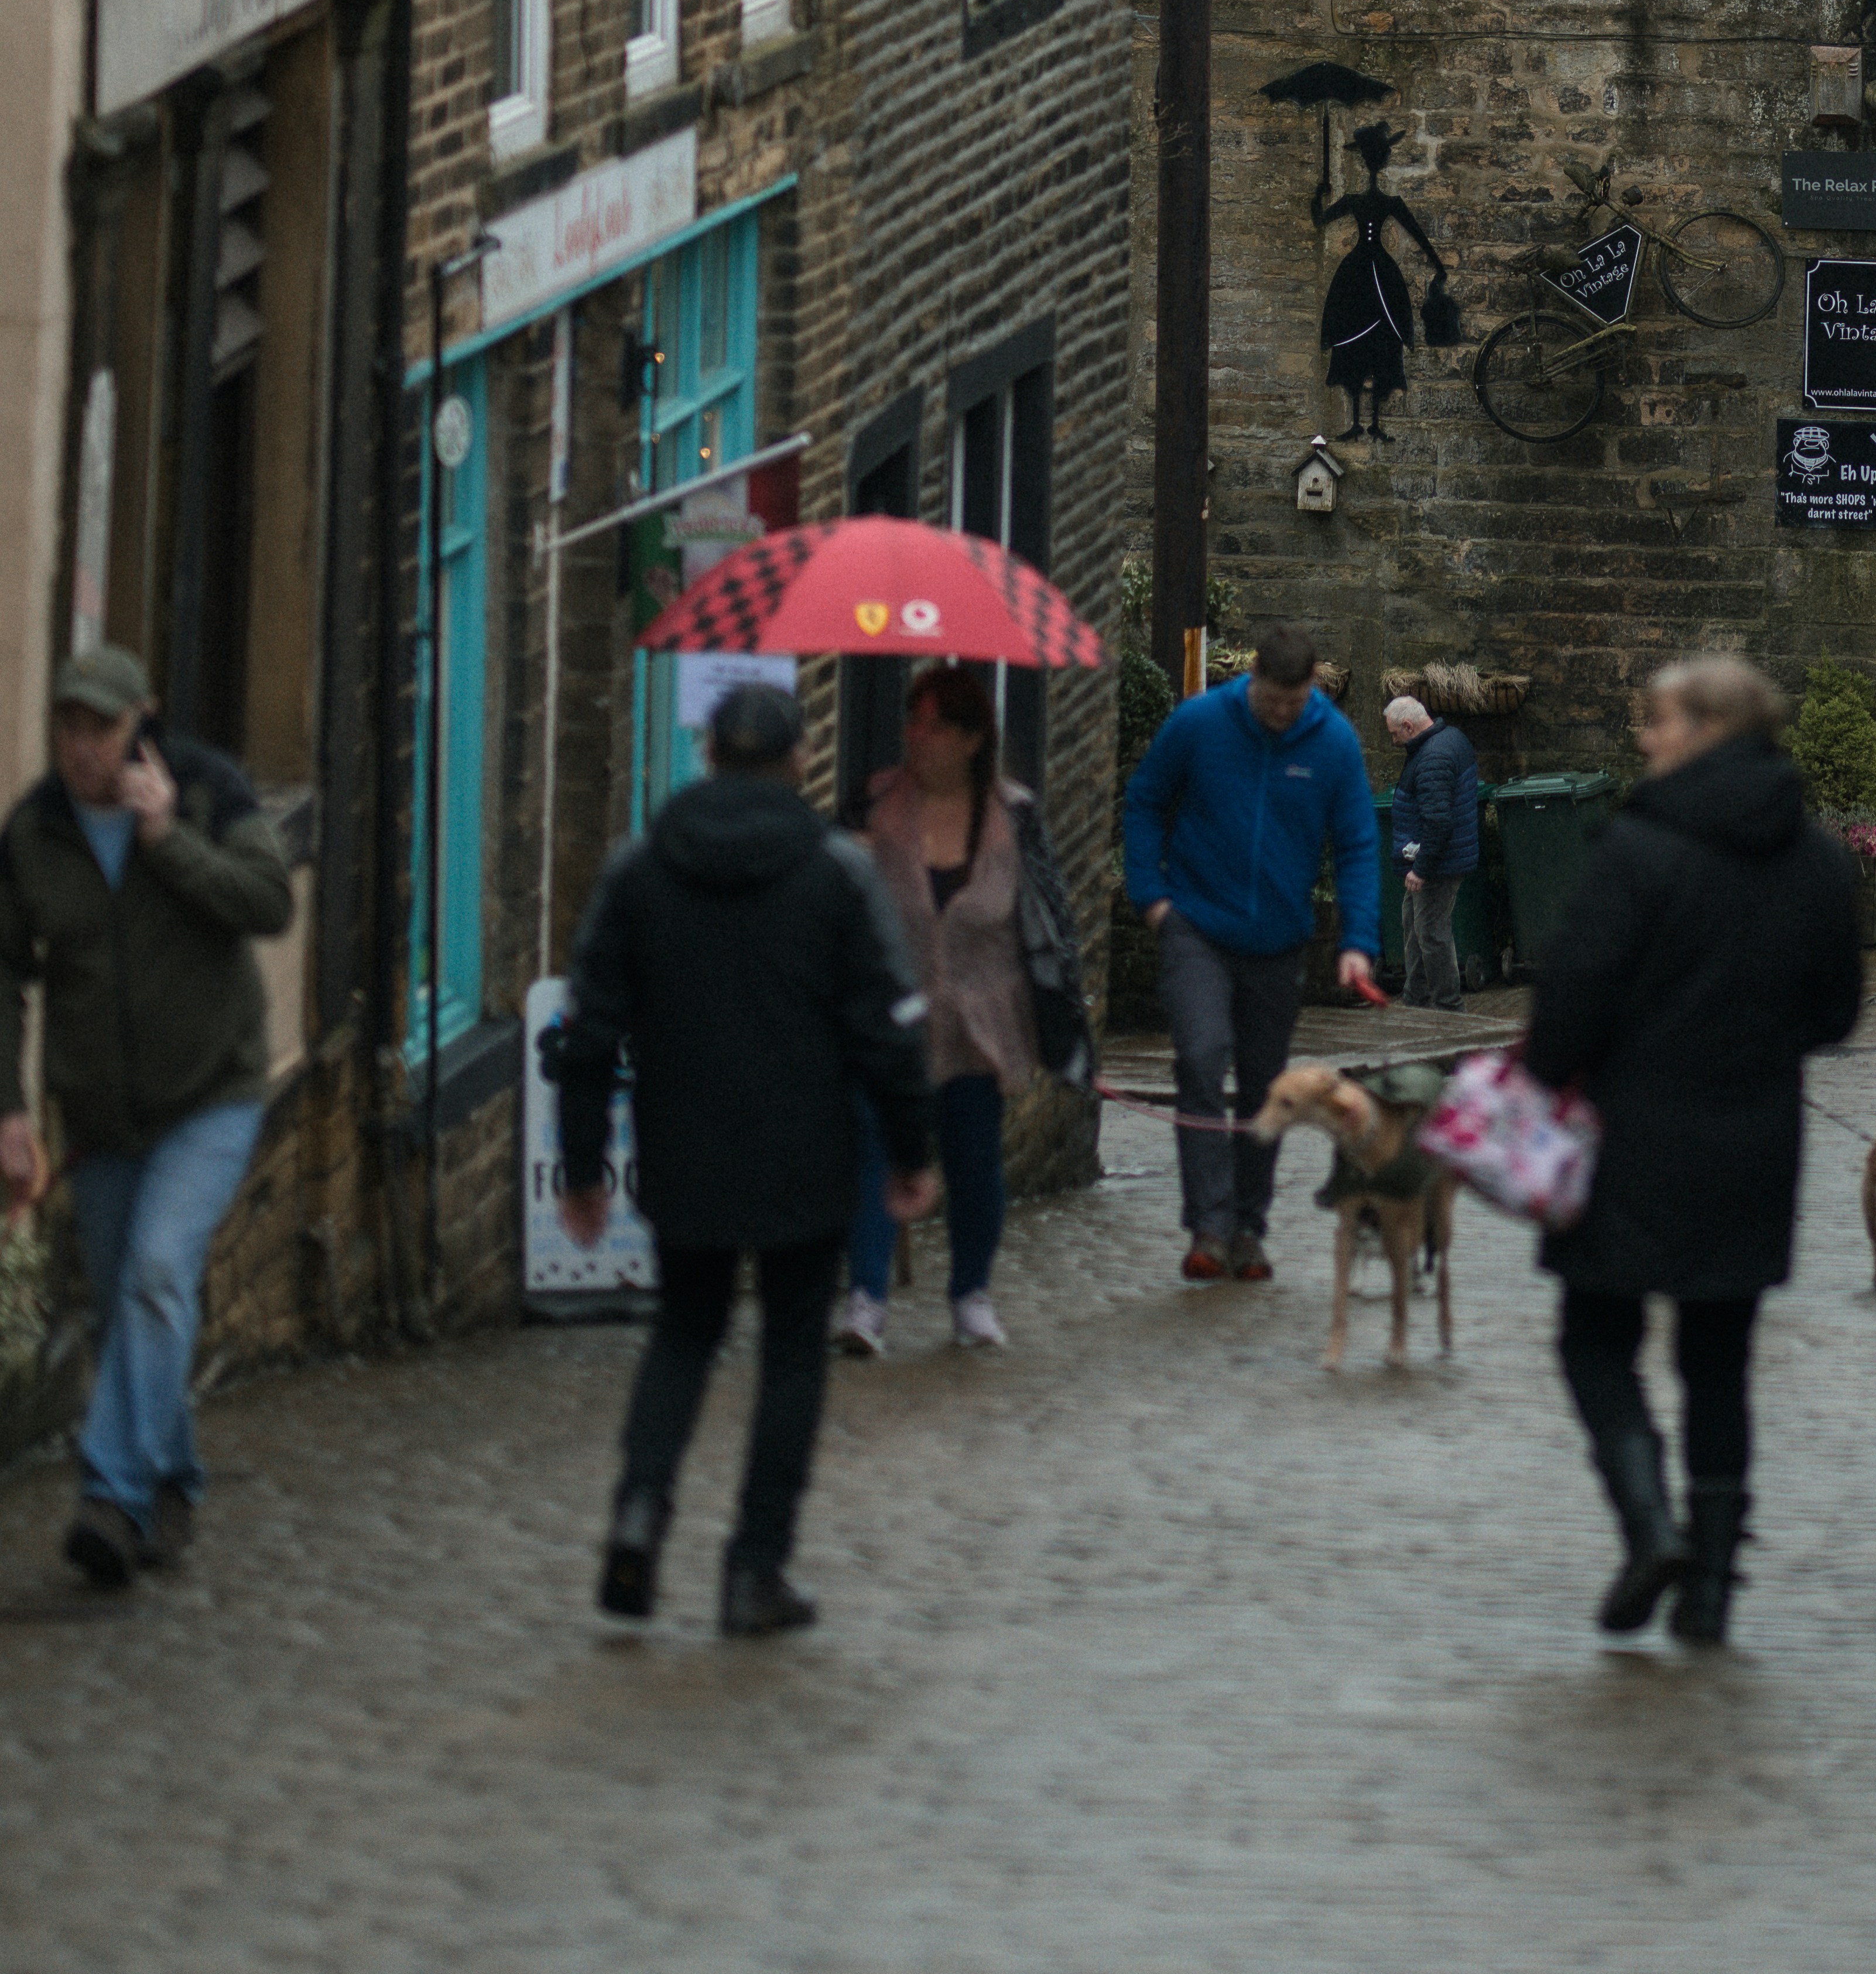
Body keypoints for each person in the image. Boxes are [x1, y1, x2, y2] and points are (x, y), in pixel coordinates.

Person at [553, 677, 935, 1638]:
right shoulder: (837, 873)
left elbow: (590, 1029)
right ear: (799, 758)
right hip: (807, 1148)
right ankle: (753, 1567)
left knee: (684, 1332)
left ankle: (640, 1508)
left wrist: (585, 1165)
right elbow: (887, 1027)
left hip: (682, 1140)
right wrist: (911, 1148)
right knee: (790, 1351)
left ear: (711, 754)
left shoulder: (640, 868)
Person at [1522, 651, 1865, 1651]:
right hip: (1755, 1133)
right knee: (1720, 1358)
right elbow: (1836, 1011)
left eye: (1659, 720)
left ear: (1710, 728)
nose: (1645, 736)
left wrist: (1559, 1067)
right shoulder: (1817, 858)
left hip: (1632, 1135)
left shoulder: (1638, 848)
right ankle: (1710, 1585)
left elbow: (1568, 1005)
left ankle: (1650, 1525)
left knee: (1595, 1336)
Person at [0, 644, 297, 1593]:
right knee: (128, 1291)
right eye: (69, 726)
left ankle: (111, 1493)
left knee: (162, 1272)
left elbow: (266, 901)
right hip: (101, 1108)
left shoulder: (208, 790)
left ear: (142, 721)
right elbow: (3, 974)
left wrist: (168, 838)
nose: (84, 746)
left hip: (211, 1089)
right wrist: (9, 1106)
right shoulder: (36, 830)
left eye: (103, 725)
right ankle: (168, 1480)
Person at [835, 663, 1083, 1358]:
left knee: (974, 1163)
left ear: (974, 738)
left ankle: (970, 1293)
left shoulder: (1015, 812)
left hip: (980, 1025)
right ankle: (866, 1300)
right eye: (914, 721)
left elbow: (1048, 916)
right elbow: (826, 896)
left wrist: (1060, 1022)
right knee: (875, 1154)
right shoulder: (872, 805)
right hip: (886, 1024)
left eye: (938, 725)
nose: (920, 737)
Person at [1120, 627, 1383, 1280]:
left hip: (1279, 940)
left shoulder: (1334, 743)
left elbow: (1355, 843)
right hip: (1196, 927)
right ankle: (1208, 1227)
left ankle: (1248, 1229)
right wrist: (1151, 895)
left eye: (1293, 703)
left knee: (1268, 1089)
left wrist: (1358, 943)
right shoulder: (1200, 723)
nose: (1281, 714)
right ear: (1253, 678)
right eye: (1271, 700)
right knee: (1202, 1058)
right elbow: (1146, 800)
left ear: (1309, 689)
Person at [1383, 689, 1483, 1011]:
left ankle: (1449, 1006)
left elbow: (1439, 823)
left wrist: (1421, 869)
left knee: (1431, 932)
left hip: (1438, 862)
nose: (1394, 741)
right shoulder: (1450, 738)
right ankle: (1416, 997)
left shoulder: (1433, 758)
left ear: (1409, 727)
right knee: (1413, 923)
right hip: (1442, 857)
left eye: (1395, 734)